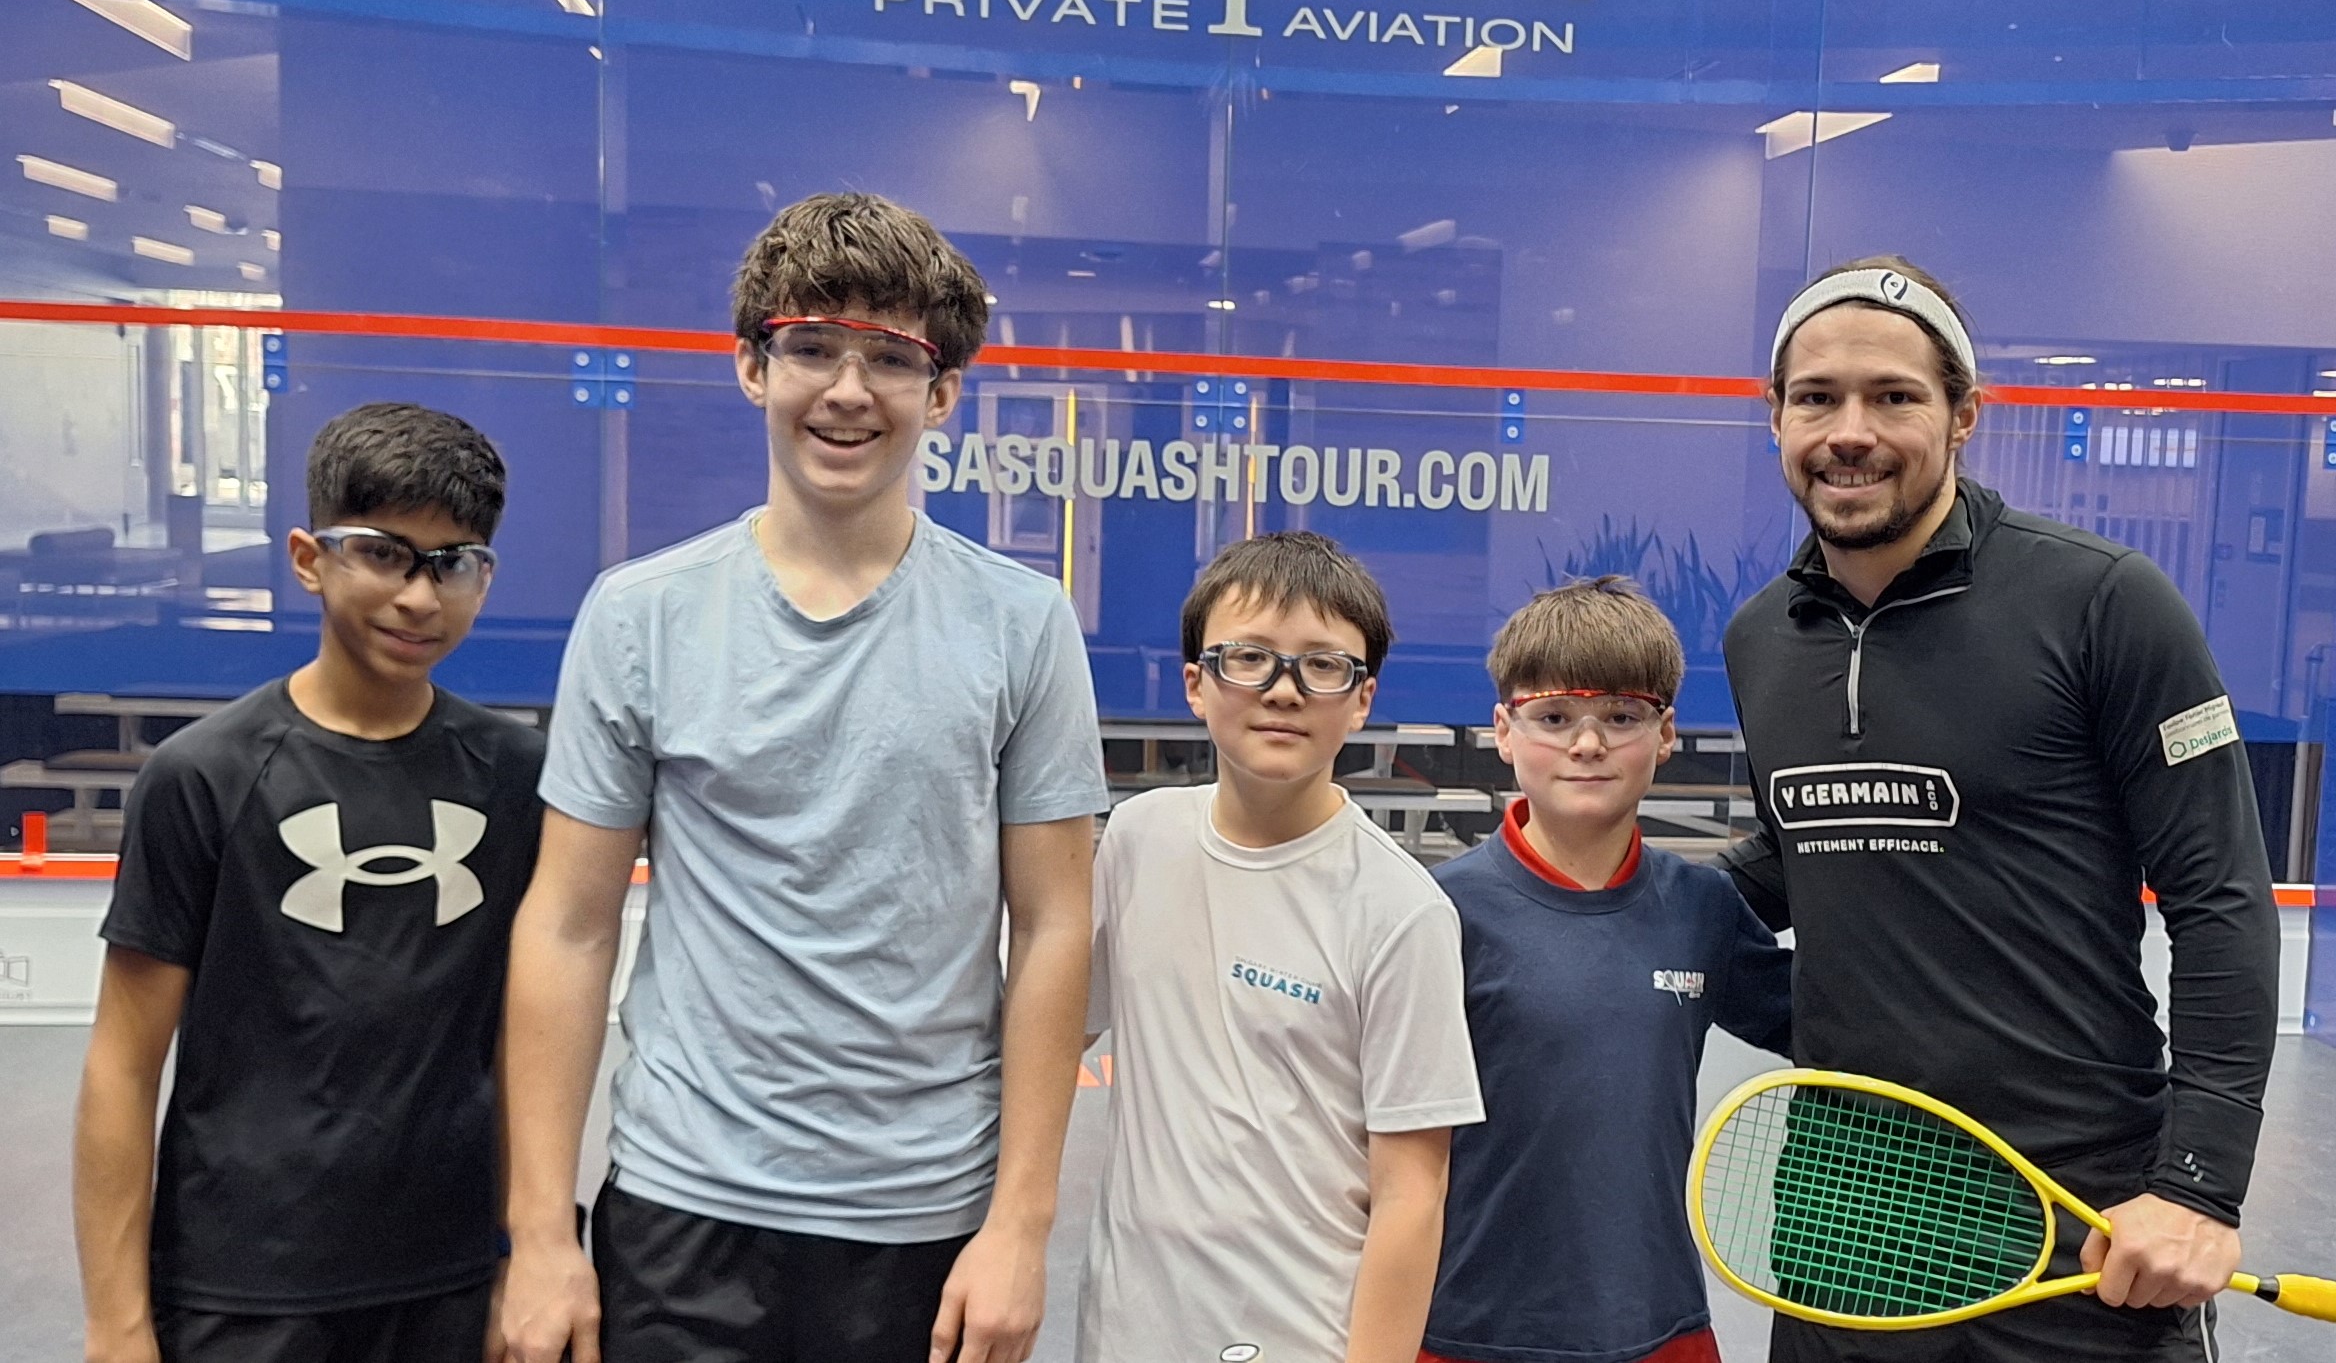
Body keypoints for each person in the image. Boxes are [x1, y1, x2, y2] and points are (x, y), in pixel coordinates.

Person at [497, 192, 1106, 1363]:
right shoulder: (640, 616)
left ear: (942, 393)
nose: (846, 390)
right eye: (812, 348)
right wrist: (539, 1236)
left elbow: (1051, 929)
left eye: (891, 358)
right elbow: (568, 927)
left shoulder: (1022, 624)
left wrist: (1021, 1227)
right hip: (683, 1205)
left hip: (924, 1217)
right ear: (751, 368)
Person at [1720, 257, 2281, 1361]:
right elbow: (1800, 856)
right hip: (1841, 1223)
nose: (1849, 432)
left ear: (1964, 414)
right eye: (1817, 397)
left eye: (1893, 396)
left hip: (2077, 1226)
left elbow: (2219, 898)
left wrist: (2196, 1187)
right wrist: (1569, 901)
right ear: (1774, 415)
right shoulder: (1760, 640)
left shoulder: (2103, 602)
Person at [74, 403, 542, 1363]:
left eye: (453, 563)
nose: (418, 597)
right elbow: (123, 1065)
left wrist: (527, 1252)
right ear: (308, 558)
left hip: (451, 1278)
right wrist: (116, 1324)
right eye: (383, 554)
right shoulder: (203, 776)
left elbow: (522, 1044)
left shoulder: (515, 776)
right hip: (244, 1286)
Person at [1080, 531, 1484, 1363]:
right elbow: (1048, 1042)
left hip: (1303, 1337)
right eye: (1250, 658)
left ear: (1362, 699)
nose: (1284, 690)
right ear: (1196, 683)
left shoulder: (1403, 911)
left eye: (1322, 665)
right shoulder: (1136, 838)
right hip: (1123, 1333)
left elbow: (1412, 1193)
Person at [1421, 576, 1792, 1363]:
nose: (1587, 744)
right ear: (1503, 730)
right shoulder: (1434, 913)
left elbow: (1840, 1024)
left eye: (1621, 717)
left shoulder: (1704, 909)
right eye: (1554, 717)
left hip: (1662, 1330)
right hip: (1464, 1335)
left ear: (1665, 734)